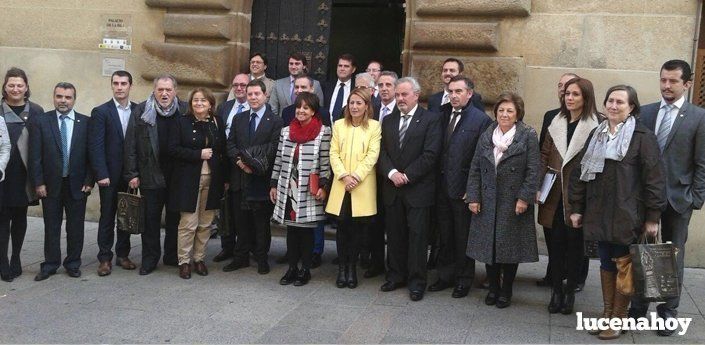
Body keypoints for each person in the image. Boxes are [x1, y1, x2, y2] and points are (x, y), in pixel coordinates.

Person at [569, 85, 666, 340]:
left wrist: (653, 217)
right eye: (610, 101)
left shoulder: (643, 137)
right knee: (604, 263)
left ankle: (618, 319)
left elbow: (654, 179)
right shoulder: (596, 134)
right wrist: (577, 208)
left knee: (624, 266)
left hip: (627, 215)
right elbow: (580, 174)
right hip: (598, 213)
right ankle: (607, 313)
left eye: (620, 102)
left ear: (631, 107)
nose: (613, 106)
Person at [629, 60, 705, 336]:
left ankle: (667, 312)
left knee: (673, 257)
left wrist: (695, 199)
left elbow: (702, 163)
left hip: (678, 201)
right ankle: (637, 309)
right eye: (663, 80)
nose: (666, 86)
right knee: (641, 253)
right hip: (644, 200)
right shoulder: (646, 113)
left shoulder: (698, 117)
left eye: (673, 81)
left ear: (686, 84)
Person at [466, 92, 539, 308]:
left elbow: (533, 169)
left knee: (509, 248)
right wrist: (473, 196)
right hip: (488, 199)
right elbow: (475, 168)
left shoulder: (527, 135)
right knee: (489, 246)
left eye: (509, 111)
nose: (504, 114)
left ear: (518, 114)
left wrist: (524, 198)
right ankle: (493, 288)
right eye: (501, 110)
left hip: (513, 201)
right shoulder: (487, 134)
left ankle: (506, 289)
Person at [537, 77, 600, 314]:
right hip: (553, 193)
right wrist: (537, 186)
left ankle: (570, 292)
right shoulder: (556, 121)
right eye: (567, 94)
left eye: (575, 94)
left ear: (586, 98)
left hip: (577, 197)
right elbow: (544, 154)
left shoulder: (595, 125)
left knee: (575, 249)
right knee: (555, 246)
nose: (570, 98)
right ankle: (556, 292)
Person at [378, 77, 441, 301]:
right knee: (394, 236)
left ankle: (416, 282)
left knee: (417, 238)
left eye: (404, 95)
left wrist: (408, 175)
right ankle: (395, 276)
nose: (400, 99)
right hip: (393, 189)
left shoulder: (431, 120)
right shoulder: (388, 121)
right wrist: (392, 173)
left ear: (416, 95)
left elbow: (431, 154)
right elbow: (382, 153)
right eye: (397, 95)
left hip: (418, 190)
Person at [429, 76, 492, 298]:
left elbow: (482, 158)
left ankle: (464, 279)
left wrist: (473, 189)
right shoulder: (441, 114)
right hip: (441, 187)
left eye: (458, 91)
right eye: (451, 91)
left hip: (464, 189)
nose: (454, 96)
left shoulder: (481, 120)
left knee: (462, 235)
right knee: (444, 235)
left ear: (469, 94)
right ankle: (444, 276)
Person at [124, 74, 188, 275]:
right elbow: (131, 145)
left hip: (177, 175)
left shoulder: (185, 110)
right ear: (154, 91)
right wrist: (132, 173)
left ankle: (171, 256)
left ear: (175, 91)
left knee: (174, 219)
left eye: (168, 90)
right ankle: (150, 259)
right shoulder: (142, 111)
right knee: (150, 221)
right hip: (150, 173)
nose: (164, 93)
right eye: (160, 89)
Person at [30, 82, 94, 281]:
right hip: (50, 185)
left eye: (67, 97)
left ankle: (73, 263)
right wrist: (38, 183)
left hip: (77, 184)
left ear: (74, 99)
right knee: (51, 226)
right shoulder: (41, 121)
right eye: (59, 96)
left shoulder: (86, 122)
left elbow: (92, 155)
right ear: (54, 97)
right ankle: (50, 264)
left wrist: (89, 180)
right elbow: (35, 156)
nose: (63, 101)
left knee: (76, 227)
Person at [270, 92, 331, 286]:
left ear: (313, 111)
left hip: (308, 189)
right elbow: (278, 159)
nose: (301, 111)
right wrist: (273, 184)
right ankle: (291, 269)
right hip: (288, 187)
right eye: (298, 107)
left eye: (306, 108)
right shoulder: (286, 131)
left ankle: (305, 269)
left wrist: (323, 186)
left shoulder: (324, 132)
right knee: (292, 231)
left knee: (306, 232)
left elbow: (325, 162)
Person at [224, 79, 283, 274]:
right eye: (250, 94)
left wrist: (253, 163)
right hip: (240, 177)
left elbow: (273, 147)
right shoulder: (239, 118)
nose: (253, 97)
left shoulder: (275, 121)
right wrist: (241, 162)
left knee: (260, 222)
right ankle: (240, 257)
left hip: (261, 178)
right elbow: (230, 144)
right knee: (240, 221)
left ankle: (262, 257)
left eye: (257, 94)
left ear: (265, 95)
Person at [326, 88, 381, 289]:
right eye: (352, 103)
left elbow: (372, 155)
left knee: (358, 231)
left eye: (359, 103)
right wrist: (343, 175)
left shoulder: (374, 127)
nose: (355, 107)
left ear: (367, 106)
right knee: (342, 229)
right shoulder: (339, 125)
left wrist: (356, 176)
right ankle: (342, 269)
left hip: (361, 185)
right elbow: (334, 153)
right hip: (342, 184)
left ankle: (352, 269)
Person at [169, 87, 227, 279]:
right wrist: (197, 154)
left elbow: (222, 151)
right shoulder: (181, 122)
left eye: (203, 100)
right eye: (195, 100)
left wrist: (224, 179)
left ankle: (199, 259)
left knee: (205, 223)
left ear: (211, 104)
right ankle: (184, 261)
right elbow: (172, 149)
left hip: (213, 179)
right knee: (188, 223)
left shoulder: (217, 122)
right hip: (188, 180)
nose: (199, 103)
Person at [89, 70, 138, 276]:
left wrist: (136, 174)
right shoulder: (101, 112)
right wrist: (100, 173)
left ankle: (123, 255)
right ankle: (105, 258)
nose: (119, 87)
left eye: (123, 83)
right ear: (111, 85)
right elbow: (96, 146)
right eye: (116, 83)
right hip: (108, 175)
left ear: (130, 86)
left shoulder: (138, 110)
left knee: (126, 217)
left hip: (130, 176)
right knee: (107, 216)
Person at [0, 68, 43, 282]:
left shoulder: (36, 111)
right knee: (1, 220)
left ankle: (16, 257)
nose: (15, 89)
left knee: (19, 218)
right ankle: (3, 262)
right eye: (11, 85)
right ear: (5, 88)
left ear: (26, 87)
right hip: (1, 176)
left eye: (19, 85)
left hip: (23, 176)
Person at [536, 72, 579, 288]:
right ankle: (553, 273)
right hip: (551, 185)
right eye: (561, 86)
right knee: (551, 231)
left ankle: (575, 278)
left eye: (571, 88)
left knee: (574, 236)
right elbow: (542, 150)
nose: (564, 91)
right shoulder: (551, 116)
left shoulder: (592, 120)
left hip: (574, 188)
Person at [361, 70, 398, 280]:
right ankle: (375, 262)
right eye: (381, 85)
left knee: (393, 225)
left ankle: (393, 265)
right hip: (370, 175)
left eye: (388, 85)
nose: (384, 89)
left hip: (392, 176)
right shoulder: (370, 109)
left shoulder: (400, 111)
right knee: (373, 223)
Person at [214, 73, 250, 263]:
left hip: (244, 164)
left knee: (242, 210)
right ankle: (226, 246)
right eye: (235, 85)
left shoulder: (254, 107)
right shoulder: (224, 107)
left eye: (243, 85)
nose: (238, 88)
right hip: (225, 164)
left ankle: (244, 248)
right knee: (225, 207)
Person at [269, 52, 324, 116]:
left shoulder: (315, 84)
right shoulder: (278, 84)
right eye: (291, 64)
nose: (293, 66)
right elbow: (273, 109)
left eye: (297, 64)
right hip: (284, 124)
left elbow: (319, 108)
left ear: (304, 66)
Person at [324, 54, 357, 123]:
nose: (342, 69)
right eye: (340, 66)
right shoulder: (326, 86)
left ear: (353, 69)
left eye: (346, 66)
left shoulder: (356, 87)